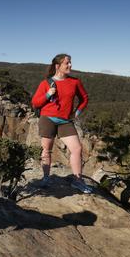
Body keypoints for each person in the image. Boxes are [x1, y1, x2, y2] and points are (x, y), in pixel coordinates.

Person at [31, 53, 93, 194]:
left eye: (70, 62)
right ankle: (46, 178)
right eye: (67, 63)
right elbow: (35, 102)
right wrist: (48, 94)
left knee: (76, 149)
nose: (70, 65)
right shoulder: (46, 83)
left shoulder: (75, 82)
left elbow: (84, 98)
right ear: (58, 66)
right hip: (48, 118)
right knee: (46, 150)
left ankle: (78, 181)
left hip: (65, 121)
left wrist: (77, 113)